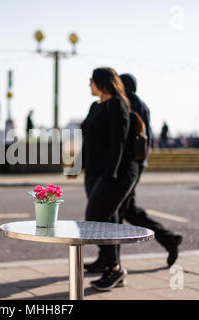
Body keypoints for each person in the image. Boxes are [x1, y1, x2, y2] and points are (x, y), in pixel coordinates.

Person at [108, 74, 182, 268]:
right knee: (127, 210)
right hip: (138, 163)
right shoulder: (141, 104)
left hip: (130, 166)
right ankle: (168, 239)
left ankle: (111, 262)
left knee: (117, 211)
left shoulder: (128, 103)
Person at [78, 68, 139, 291]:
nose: (89, 85)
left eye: (91, 81)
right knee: (107, 219)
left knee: (95, 217)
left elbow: (118, 142)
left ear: (101, 83)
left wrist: (111, 174)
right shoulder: (95, 106)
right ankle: (110, 266)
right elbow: (88, 139)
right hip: (94, 172)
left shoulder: (117, 104)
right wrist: (79, 165)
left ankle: (114, 268)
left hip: (116, 173)